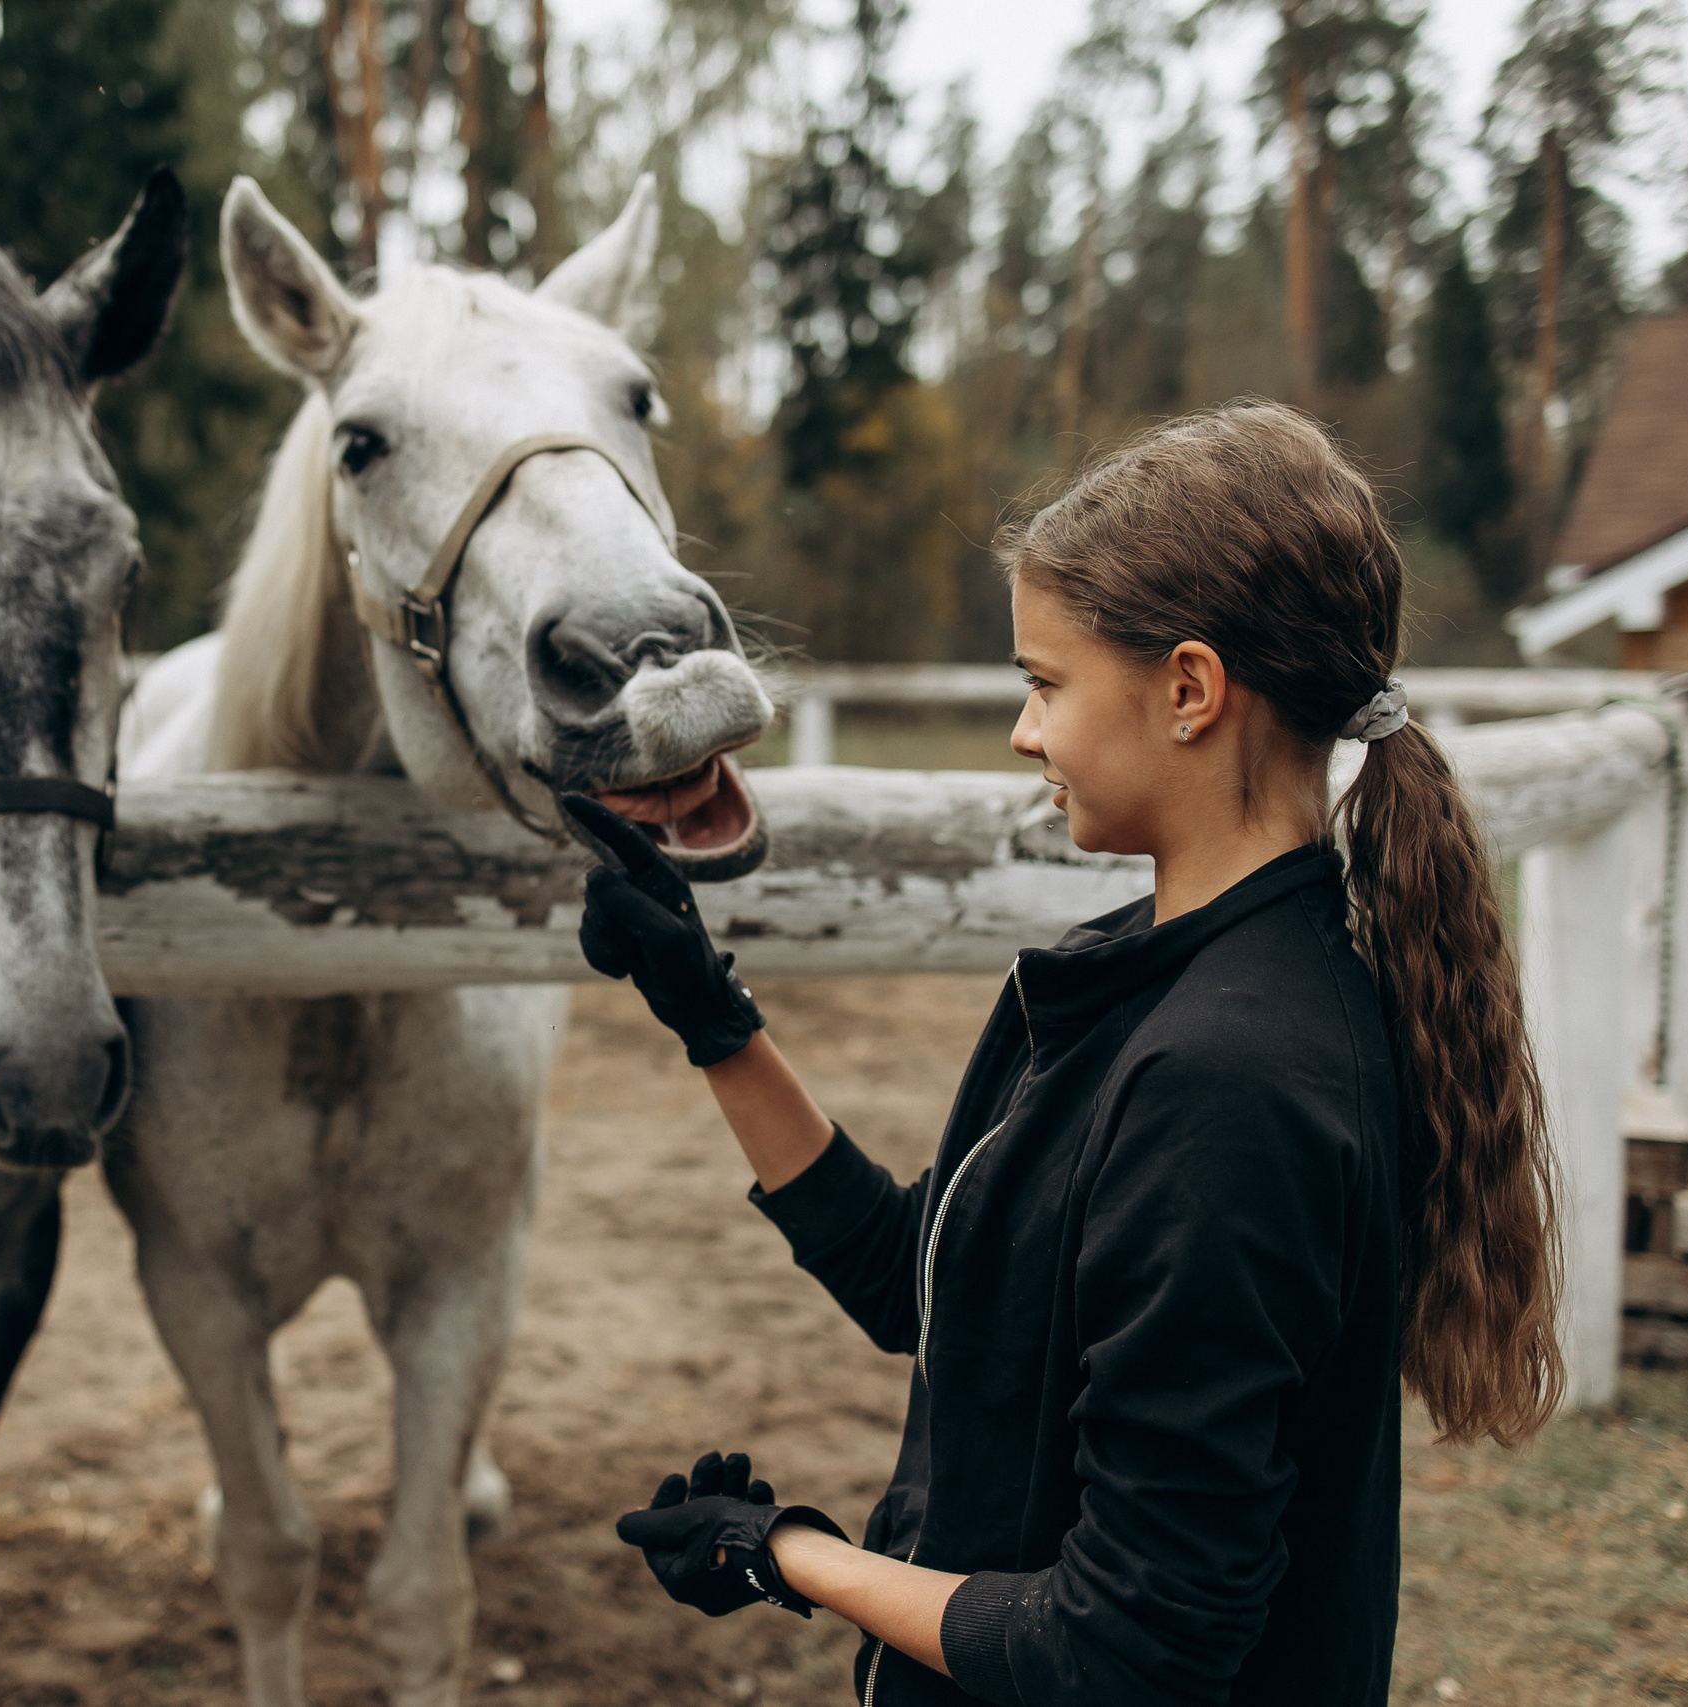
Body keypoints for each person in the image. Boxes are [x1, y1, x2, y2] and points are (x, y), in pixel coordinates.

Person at [565, 403, 1562, 1707]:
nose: (1025, 734)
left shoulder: (1229, 1083)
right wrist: (711, 1015)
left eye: (1046, 684)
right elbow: (922, 1287)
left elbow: (1133, 1641)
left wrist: (796, 1558)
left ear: (1190, 690)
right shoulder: (1141, 979)